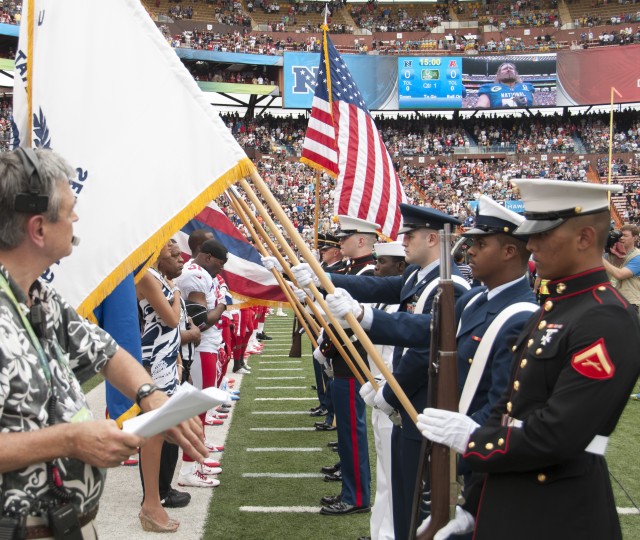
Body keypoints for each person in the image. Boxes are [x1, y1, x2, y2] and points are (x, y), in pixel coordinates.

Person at [0, 147, 207, 538]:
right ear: (39, 228)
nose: (77, 218)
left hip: (60, 521)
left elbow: (106, 350)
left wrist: (149, 394)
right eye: (69, 210)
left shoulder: (38, 296)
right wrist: (70, 439)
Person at [417, 179, 640, 540]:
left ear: (584, 238)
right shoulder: (552, 310)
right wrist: (473, 506)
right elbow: (508, 408)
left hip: (558, 511)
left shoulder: (606, 318)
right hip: (508, 497)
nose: (531, 245)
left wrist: (474, 441)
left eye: (543, 234)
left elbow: (560, 434)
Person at [295, 205, 471, 538]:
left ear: (433, 238)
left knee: (410, 490)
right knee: (393, 480)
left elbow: (424, 346)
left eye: (410, 234)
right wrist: (321, 279)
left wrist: (389, 393)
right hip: (401, 394)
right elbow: (378, 290)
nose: (402, 240)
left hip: (419, 400)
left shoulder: (449, 285)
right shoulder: (422, 277)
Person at [300, 215, 378, 516]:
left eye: (344, 237)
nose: (339, 242)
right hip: (341, 357)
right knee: (346, 431)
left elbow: (350, 325)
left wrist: (327, 347)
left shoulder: (368, 272)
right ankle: (350, 483)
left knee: (352, 432)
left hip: (352, 360)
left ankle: (356, 495)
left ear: (361, 240)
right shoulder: (352, 269)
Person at [358, 241, 406, 540]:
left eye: (383, 262)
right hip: (378, 392)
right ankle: (380, 532)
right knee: (385, 474)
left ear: (400, 267)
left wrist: (387, 391)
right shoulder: (386, 301)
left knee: (393, 475)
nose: (376, 267)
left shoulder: (404, 303)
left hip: (394, 395)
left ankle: (389, 534)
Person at [175, 237, 229, 487]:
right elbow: (203, 320)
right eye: (219, 264)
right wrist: (221, 307)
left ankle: (196, 458)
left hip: (206, 344)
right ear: (207, 257)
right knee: (199, 403)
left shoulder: (201, 273)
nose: (221, 269)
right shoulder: (194, 275)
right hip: (200, 344)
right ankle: (188, 469)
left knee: (202, 403)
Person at [602, 223, 640, 312]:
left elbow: (620, 274)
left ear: (635, 238)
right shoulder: (616, 253)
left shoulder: (637, 257)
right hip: (616, 301)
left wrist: (598, 256)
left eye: (625, 236)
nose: (622, 238)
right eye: (621, 235)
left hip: (632, 303)